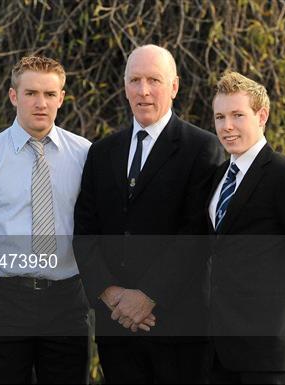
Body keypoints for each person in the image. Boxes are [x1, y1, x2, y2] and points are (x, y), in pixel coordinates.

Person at [73, 44, 224, 383]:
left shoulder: (202, 148)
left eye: (154, 80)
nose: (143, 91)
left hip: (179, 327)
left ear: (174, 86)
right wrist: (111, 295)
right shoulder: (102, 152)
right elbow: (84, 229)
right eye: (135, 80)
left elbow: (197, 234)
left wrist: (147, 297)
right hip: (117, 327)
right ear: (124, 86)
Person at [0, 56, 91, 384]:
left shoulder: (86, 155)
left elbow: (94, 224)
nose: (40, 103)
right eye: (30, 93)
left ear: (61, 97)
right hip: (5, 299)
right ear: (14, 96)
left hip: (67, 299)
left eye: (49, 94)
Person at [206, 71, 285, 384]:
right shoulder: (219, 175)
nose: (227, 126)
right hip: (220, 349)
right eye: (220, 116)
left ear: (261, 115)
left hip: (271, 350)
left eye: (238, 115)